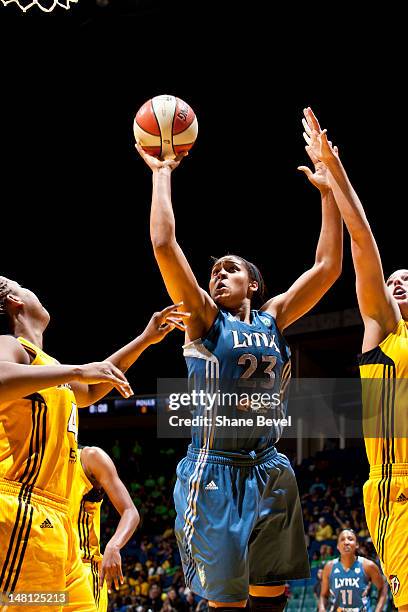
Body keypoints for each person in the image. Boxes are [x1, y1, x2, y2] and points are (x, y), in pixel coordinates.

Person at [136, 128, 343, 612]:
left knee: (270, 596)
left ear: (254, 284)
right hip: (214, 470)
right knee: (225, 602)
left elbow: (329, 266)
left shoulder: (274, 317)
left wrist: (329, 192)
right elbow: (164, 244)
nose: (218, 274)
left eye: (230, 269)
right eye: (214, 272)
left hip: (269, 468)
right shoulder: (206, 319)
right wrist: (162, 174)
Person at [0, 275, 188, 611]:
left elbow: (92, 387)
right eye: (25, 286)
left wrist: (145, 339)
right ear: (15, 301)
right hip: (21, 510)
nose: (34, 290)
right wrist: (76, 371)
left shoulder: (50, 367)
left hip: (61, 523)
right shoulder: (10, 345)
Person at [302, 106, 408, 610]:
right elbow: (364, 244)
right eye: (393, 281)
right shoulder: (385, 327)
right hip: (398, 487)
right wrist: (336, 174)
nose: (398, 282)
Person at [69, 445, 139, 611]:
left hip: (83, 570)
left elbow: (130, 512)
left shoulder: (89, 457)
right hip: (47, 570)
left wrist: (114, 545)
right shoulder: (35, 463)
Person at [319, 529, 387, 611]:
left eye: (350, 539)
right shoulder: (329, 567)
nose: (346, 542)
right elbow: (323, 595)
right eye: (342, 539)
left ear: (357, 544)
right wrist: (322, 609)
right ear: (337, 546)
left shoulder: (368, 566)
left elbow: (383, 587)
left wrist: (378, 610)